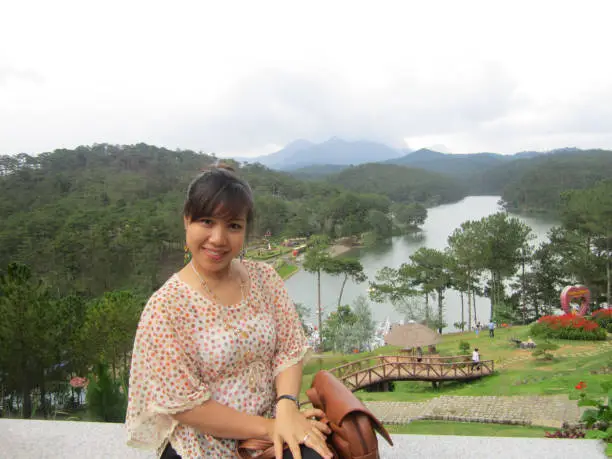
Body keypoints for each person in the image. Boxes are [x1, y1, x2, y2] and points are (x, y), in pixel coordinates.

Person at [125, 165, 333, 459]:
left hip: (275, 426)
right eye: (207, 221)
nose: (219, 239)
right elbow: (185, 405)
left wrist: (287, 405)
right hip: (204, 444)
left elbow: (288, 350)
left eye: (233, 225)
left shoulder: (265, 279)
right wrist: (269, 428)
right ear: (187, 221)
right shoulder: (166, 307)